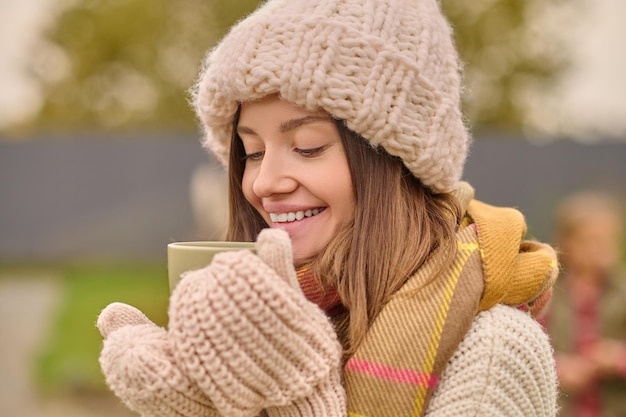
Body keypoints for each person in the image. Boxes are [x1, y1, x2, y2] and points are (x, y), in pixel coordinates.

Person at [96, 0, 559, 416]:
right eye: (252, 152)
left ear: (396, 164)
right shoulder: (262, 318)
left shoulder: (496, 350)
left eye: (308, 146)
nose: (264, 182)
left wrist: (297, 399)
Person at [545, 192, 626, 416]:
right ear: (566, 243)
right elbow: (528, 346)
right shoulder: (547, 294)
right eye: (589, 241)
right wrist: (559, 368)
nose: (597, 251)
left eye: (606, 241)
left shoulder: (622, 293)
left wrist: (616, 357)